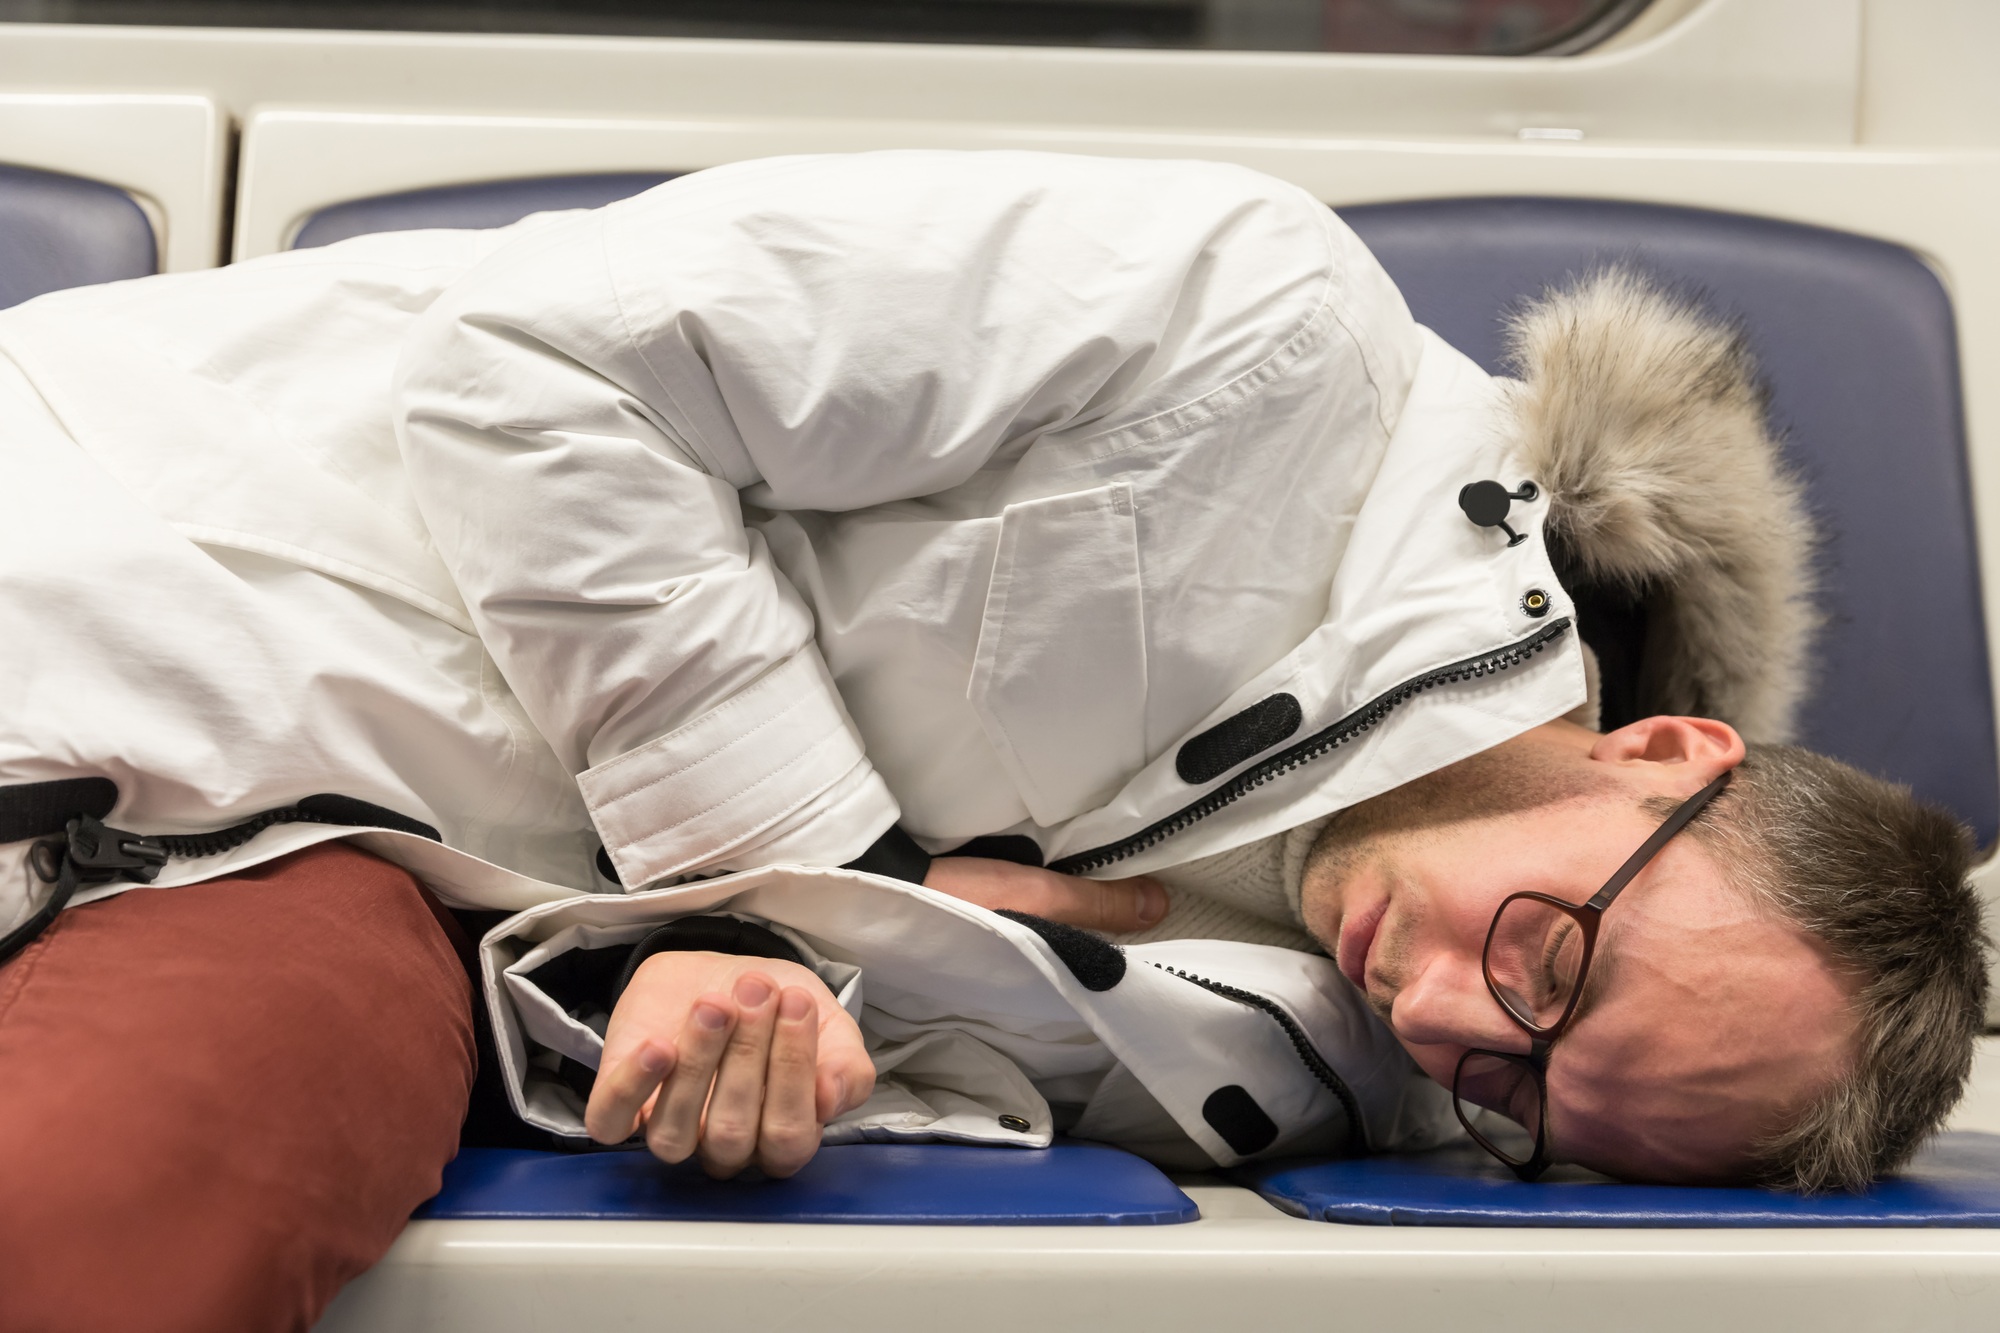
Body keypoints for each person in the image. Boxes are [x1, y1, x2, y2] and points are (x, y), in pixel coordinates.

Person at [0, 150, 1983, 1331]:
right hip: (138, 574)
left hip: (320, 876)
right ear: (1666, 751)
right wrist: (824, 880)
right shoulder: (1261, 330)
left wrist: (733, 1023)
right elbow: (532, 370)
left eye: (1525, 1108)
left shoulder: (1352, 1066)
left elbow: (743, 996)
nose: (1448, 1016)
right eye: (1553, 960)